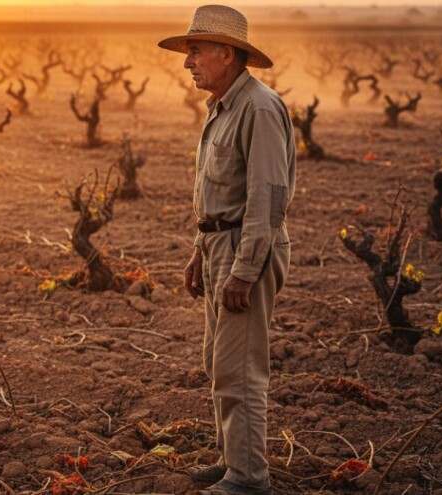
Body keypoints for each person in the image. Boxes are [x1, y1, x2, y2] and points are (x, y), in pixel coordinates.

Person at [158, 5, 295, 495]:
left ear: (227, 52)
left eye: (195, 50)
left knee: (239, 370)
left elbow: (267, 196)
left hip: (245, 249)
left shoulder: (258, 107)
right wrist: (201, 250)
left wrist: (244, 270)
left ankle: (248, 479)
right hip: (221, 245)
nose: (187, 61)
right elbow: (219, 192)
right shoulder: (223, 106)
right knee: (219, 361)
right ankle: (232, 459)